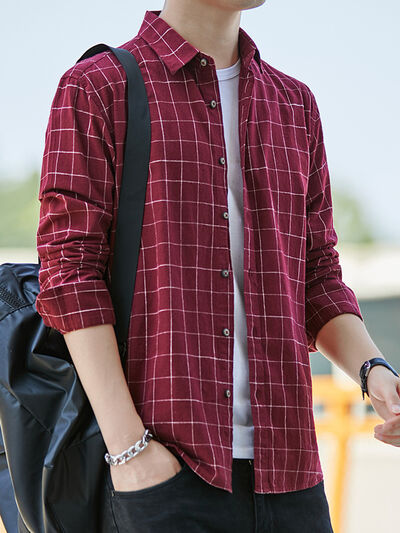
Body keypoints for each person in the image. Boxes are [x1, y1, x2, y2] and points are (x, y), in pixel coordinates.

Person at [36, 2, 400, 532]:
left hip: (291, 475)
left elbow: (317, 275)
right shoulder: (98, 88)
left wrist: (376, 372)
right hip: (162, 471)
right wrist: (129, 450)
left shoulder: (294, 104)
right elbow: (70, 274)